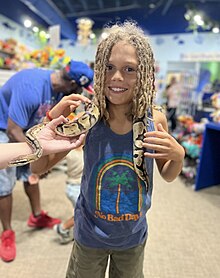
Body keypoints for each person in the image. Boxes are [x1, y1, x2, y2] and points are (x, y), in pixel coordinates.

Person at [31, 21, 185, 278]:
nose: (117, 77)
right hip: (90, 233)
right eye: (109, 67)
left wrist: (178, 156)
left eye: (129, 69)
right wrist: (49, 125)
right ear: (99, 70)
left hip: (132, 236)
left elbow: (167, 174)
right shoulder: (85, 120)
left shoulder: (154, 120)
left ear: (145, 74)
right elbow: (37, 167)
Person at [0, 60, 93, 263]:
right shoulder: (30, 88)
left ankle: (36, 215)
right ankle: (7, 232)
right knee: (4, 183)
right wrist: (38, 154)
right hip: (5, 127)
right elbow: (12, 129)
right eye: (81, 89)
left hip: (29, 127)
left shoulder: (61, 90)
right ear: (72, 84)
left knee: (32, 175)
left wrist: (43, 162)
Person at [0, 116, 86, 170]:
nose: (14, 164)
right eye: (17, 163)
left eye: (16, 162)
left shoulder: (36, 150)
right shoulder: (36, 152)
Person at [54, 146, 83, 244]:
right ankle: (62, 228)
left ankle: (78, 232)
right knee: (84, 214)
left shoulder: (69, 151)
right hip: (77, 187)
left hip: (72, 187)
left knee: (81, 212)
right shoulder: (83, 151)